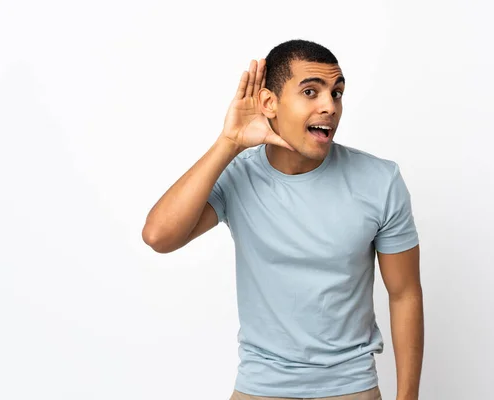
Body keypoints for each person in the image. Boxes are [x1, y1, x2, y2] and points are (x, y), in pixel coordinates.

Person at [142, 39, 424, 400]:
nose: (330, 106)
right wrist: (228, 142)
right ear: (269, 103)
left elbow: (404, 295)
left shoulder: (380, 180)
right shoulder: (237, 176)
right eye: (311, 91)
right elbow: (158, 236)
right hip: (261, 386)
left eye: (336, 93)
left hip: (351, 386)